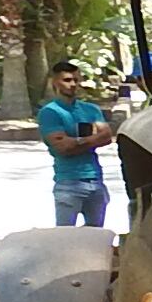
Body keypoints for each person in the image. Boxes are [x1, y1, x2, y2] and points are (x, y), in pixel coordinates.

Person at [38, 61, 113, 227]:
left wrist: (76, 142)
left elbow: (107, 136)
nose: (72, 84)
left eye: (76, 80)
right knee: (65, 238)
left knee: (95, 237)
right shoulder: (50, 112)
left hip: (96, 181)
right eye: (67, 80)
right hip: (68, 183)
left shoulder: (91, 109)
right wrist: (92, 140)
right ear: (54, 82)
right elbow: (62, 148)